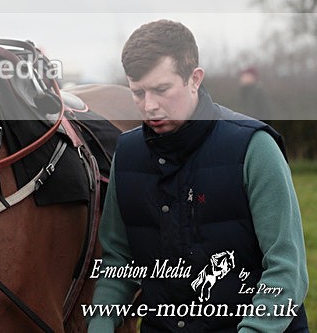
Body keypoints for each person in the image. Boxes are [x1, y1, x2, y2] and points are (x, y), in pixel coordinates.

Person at [89, 20, 308, 332]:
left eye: (162, 89)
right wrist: (100, 324)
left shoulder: (253, 147)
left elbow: (288, 269)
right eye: (138, 93)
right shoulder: (127, 154)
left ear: (194, 78)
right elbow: (118, 261)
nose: (149, 106)